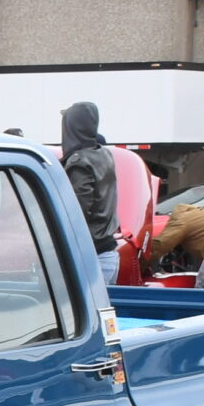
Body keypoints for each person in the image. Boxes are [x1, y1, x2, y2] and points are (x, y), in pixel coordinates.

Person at [60, 102, 119, 286]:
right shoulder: (103, 154)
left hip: (91, 256)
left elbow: (76, 214)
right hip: (107, 252)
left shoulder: (79, 162)